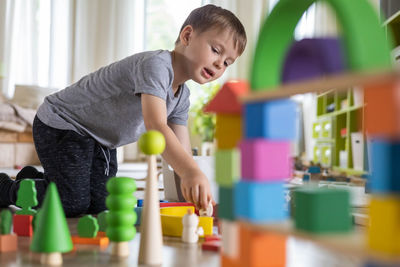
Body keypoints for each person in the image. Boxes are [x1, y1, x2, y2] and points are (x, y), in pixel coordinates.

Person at [0, 4, 247, 217]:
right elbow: (156, 126)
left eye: (227, 62)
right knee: (72, 203)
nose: (219, 64)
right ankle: (6, 188)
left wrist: (195, 199)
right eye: (216, 50)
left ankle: (32, 179)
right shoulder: (156, 66)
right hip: (64, 123)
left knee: (101, 205)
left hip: (100, 141)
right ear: (187, 35)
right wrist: (191, 172)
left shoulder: (181, 96)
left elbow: (181, 151)